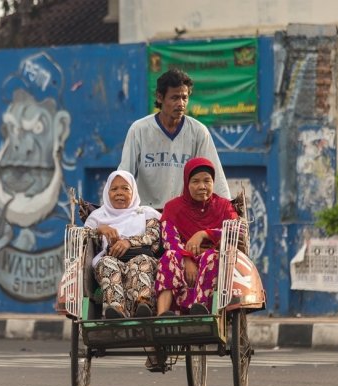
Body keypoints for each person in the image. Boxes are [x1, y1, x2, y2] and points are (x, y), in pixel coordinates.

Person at [118, 68, 230, 210]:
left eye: (184, 98)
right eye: (175, 97)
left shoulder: (199, 132)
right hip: (146, 214)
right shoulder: (139, 130)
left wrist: (229, 211)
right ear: (160, 97)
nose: (181, 103)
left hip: (185, 215)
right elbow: (124, 175)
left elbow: (216, 179)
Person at [155, 157, 238, 316]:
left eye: (207, 181)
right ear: (187, 183)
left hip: (211, 258)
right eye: (195, 181)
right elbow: (169, 238)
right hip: (182, 258)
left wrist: (203, 234)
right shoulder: (172, 207)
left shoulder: (224, 206)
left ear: (213, 182)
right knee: (168, 256)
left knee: (211, 258)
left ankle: (200, 309)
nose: (202, 186)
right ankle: (162, 315)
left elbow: (236, 231)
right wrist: (187, 258)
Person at [84, 170, 161, 319]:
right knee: (106, 263)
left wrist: (128, 242)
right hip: (111, 260)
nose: (119, 193)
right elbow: (81, 238)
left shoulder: (146, 213)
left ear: (133, 191)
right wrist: (100, 230)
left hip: (141, 258)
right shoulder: (98, 216)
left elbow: (154, 237)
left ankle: (143, 307)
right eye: (114, 189)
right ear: (107, 192)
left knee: (140, 262)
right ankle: (117, 311)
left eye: (125, 188)